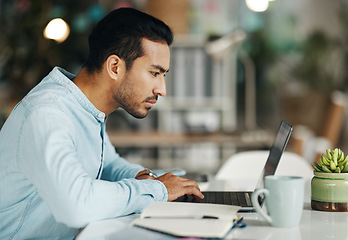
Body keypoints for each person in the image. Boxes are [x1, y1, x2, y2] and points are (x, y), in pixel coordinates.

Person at [0, 8, 204, 239]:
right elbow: (76, 204)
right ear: (115, 67)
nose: (162, 90)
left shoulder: (85, 109)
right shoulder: (48, 113)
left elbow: (108, 165)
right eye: (154, 73)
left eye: (163, 75)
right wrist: (157, 190)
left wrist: (145, 177)